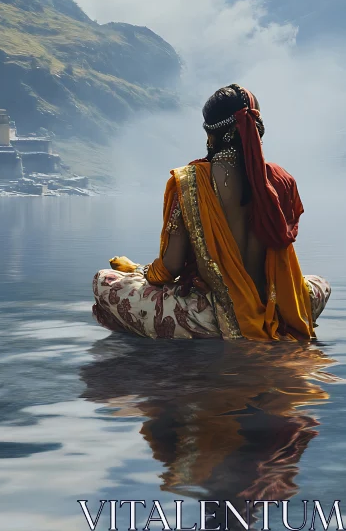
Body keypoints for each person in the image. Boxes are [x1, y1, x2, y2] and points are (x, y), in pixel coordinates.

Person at [92, 84, 331, 341]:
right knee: (319, 284)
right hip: (282, 311)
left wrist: (139, 271)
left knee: (104, 280)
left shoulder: (190, 181)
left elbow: (171, 266)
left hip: (208, 319)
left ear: (211, 134)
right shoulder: (281, 180)